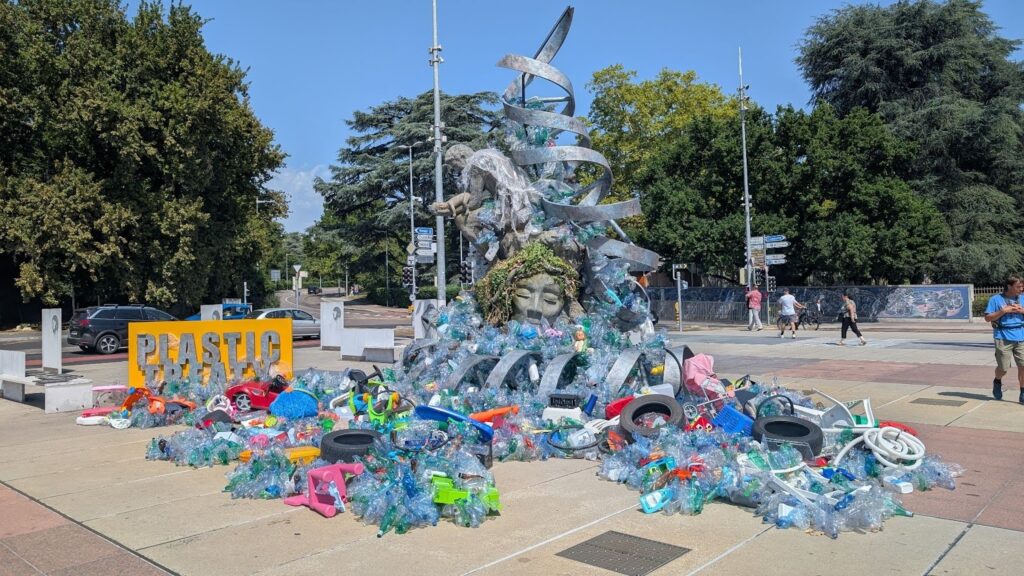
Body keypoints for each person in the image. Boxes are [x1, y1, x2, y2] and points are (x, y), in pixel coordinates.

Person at [984, 275, 1024, 403]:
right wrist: (1003, 311)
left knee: (1023, 366)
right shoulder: (995, 299)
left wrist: (1022, 311)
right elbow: (988, 318)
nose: (1021, 289)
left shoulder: (1023, 298)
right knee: (1004, 368)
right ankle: (997, 381)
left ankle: (1023, 393)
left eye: (1022, 286)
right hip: (1002, 336)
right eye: (1018, 286)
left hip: (1021, 336)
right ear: (1009, 286)